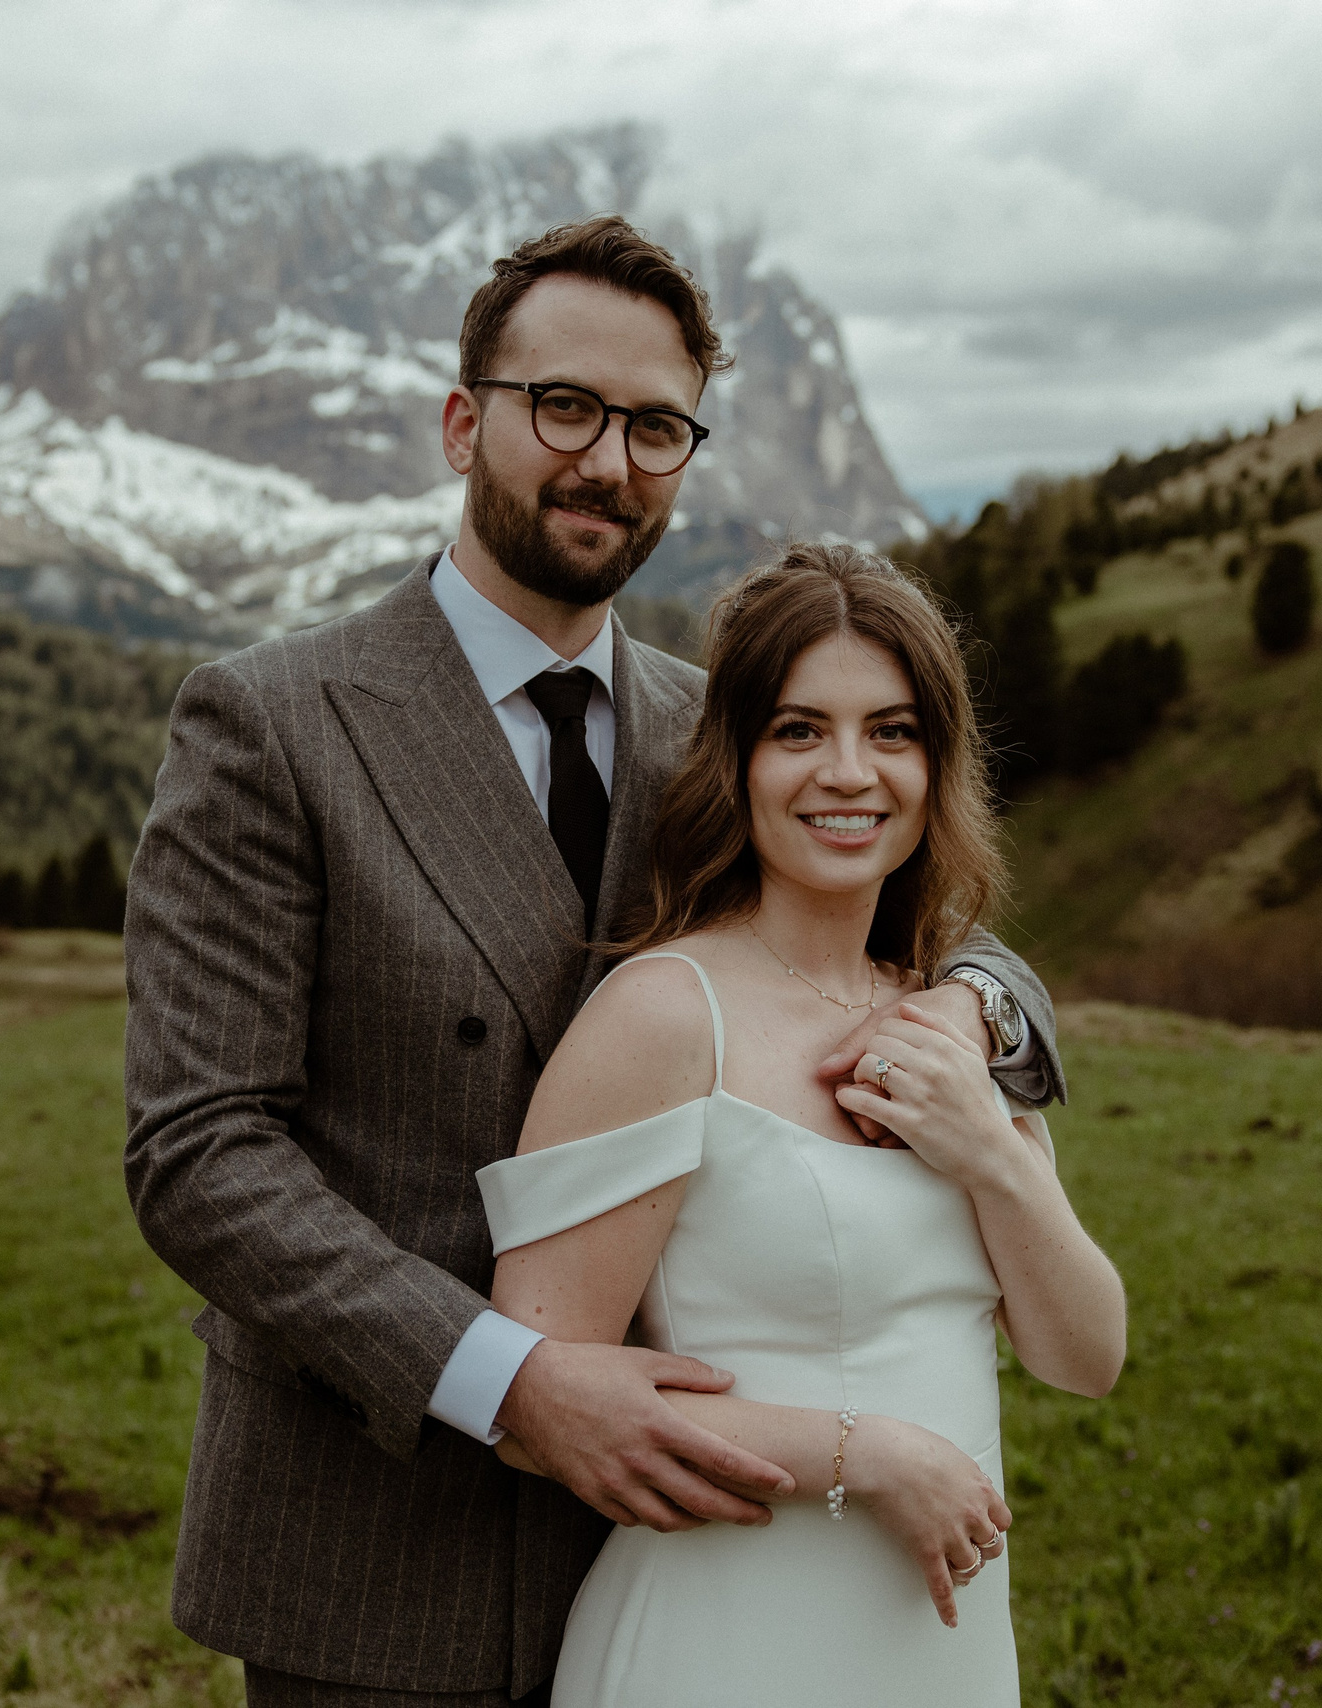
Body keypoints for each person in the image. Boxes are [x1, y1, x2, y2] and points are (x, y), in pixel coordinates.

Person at [124, 215, 1066, 1708]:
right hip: (381, 1536)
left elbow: (947, 923)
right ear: (463, 421)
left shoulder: (727, 727)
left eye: (654, 426)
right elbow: (197, 1151)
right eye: (563, 407)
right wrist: (516, 1382)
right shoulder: (274, 723)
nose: (607, 461)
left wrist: (973, 1001)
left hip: (696, 1540)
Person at [479, 545, 1127, 1706]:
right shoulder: (665, 1013)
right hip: (722, 1638)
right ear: (734, 759)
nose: (849, 773)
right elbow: (542, 1404)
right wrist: (863, 1456)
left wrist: (988, 1149)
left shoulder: (944, 1017)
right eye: (798, 730)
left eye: (891, 731)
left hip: (939, 1649)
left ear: (937, 764)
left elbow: (1084, 1356)